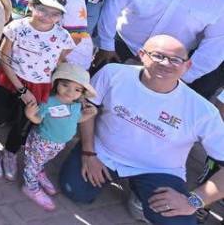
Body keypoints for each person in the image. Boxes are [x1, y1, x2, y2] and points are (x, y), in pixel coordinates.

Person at [58, 35, 224, 224]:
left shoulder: (203, 111)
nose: (166, 64)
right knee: (75, 191)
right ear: (142, 54)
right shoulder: (113, 73)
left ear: (187, 66)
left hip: (158, 170)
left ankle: (142, 192)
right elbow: (87, 108)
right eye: (158, 56)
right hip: (103, 152)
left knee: (180, 221)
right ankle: (134, 188)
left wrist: (194, 201)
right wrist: (88, 152)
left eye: (176, 60)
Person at [96, 0, 224, 99]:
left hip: (172, 62)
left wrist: (183, 76)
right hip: (123, 45)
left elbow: (215, 46)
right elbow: (111, 8)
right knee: (101, 94)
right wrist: (106, 45)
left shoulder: (219, 0)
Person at [0, 0, 75, 185]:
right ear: (32, 5)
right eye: (42, 9)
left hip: (39, 86)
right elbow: (3, 57)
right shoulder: (17, 27)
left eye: (54, 13)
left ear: (61, 16)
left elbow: (59, 62)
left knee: (22, 124)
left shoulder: (63, 37)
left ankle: (10, 153)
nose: (46, 16)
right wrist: (22, 89)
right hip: (10, 81)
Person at [20, 64, 98, 211]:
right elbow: (38, 119)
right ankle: (30, 186)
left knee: (43, 160)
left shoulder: (76, 104)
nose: (70, 92)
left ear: (82, 92)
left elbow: (75, 119)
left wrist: (89, 114)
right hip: (43, 141)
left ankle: (38, 172)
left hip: (59, 144)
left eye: (77, 89)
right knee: (33, 163)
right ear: (57, 83)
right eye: (65, 85)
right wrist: (30, 114)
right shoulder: (49, 101)